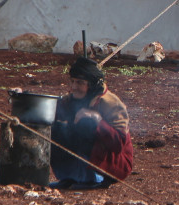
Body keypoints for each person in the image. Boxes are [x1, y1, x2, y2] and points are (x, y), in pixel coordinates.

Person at [49, 57, 133, 188]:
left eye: (80, 83)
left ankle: (95, 178)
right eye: (72, 82)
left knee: (86, 123)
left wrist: (97, 120)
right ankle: (70, 177)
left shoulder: (111, 103)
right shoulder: (70, 100)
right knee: (57, 129)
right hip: (90, 157)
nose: (74, 87)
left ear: (93, 84)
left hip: (115, 164)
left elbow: (118, 144)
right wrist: (22, 97)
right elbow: (49, 113)